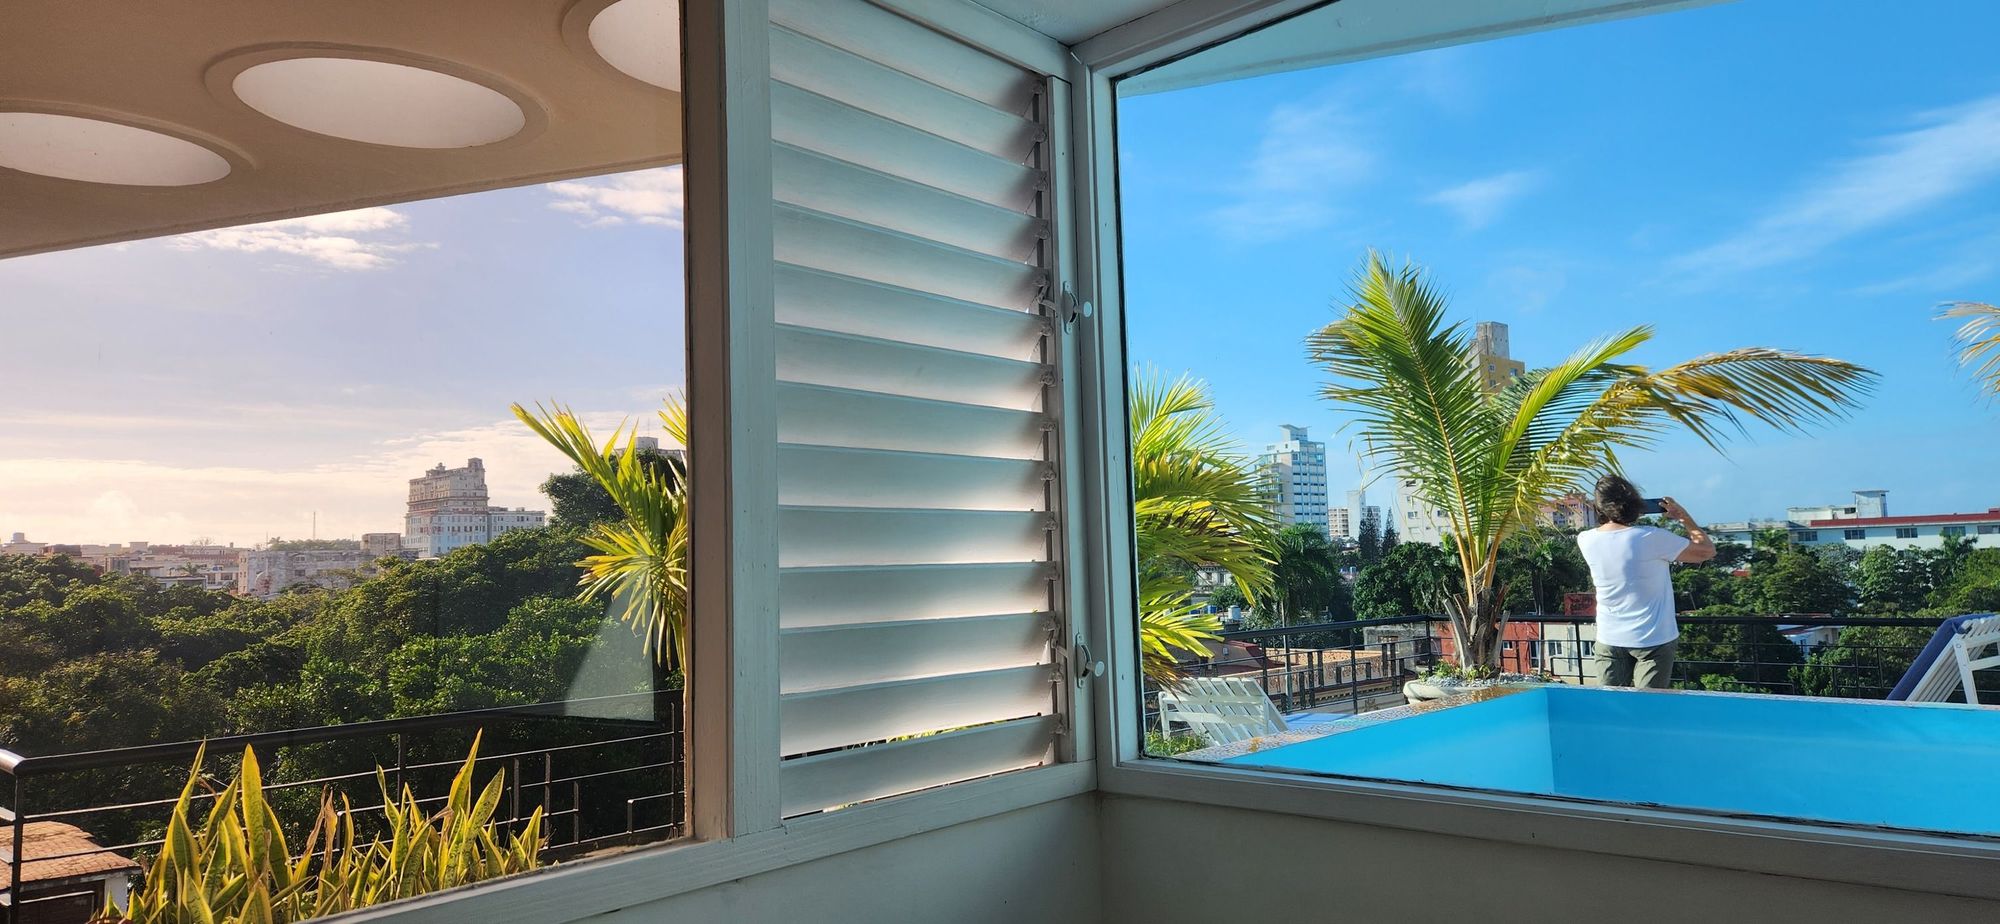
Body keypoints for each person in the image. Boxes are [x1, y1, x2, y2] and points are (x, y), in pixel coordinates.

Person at [1575, 474, 1715, 688]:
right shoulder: (1651, 537)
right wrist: (1683, 517)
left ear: (1599, 507)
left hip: (1609, 637)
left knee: (1610, 705)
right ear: (1634, 503)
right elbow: (1706, 551)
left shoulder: (1585, 539)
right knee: (1648, 706)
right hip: (1653, 639)